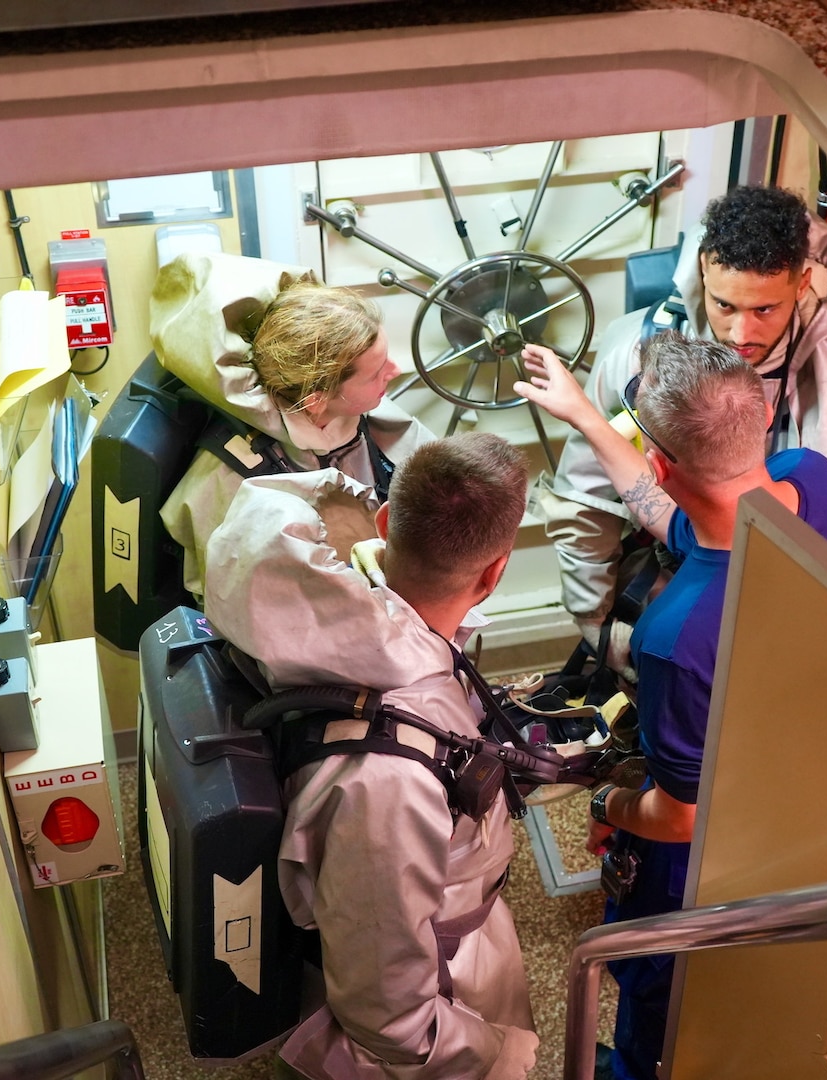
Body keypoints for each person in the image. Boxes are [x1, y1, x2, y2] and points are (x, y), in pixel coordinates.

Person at [515, 336, 827, 1080]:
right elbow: (683, 518)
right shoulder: (814, 480)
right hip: (810, 798)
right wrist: (584, 415)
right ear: (765, 415)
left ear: (662, 462)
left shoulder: (675, 637)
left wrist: (609, 803)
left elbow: (680, 816)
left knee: (658, 1000)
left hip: (700, 859)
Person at [201, 434, 538, 1080]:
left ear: (383, 524)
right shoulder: (390, 778)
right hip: (437, 1008)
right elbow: (389, 1016)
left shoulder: (328, 620)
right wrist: (496, 1051)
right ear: (495, 573)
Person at [539, 185, 827, 661]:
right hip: (674, 603)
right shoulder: (637, 356)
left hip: (810, 614)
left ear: (802, 282)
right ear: (703, 268)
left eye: (764, 309)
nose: (741, 335)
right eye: (724, 305)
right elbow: (590, 499)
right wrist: (600, 629)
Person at [153, 250, 434, 600]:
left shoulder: (356, 414)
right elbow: (239, 609)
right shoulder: (232, 480)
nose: (394, 371)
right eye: (377, 372)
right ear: (317, 398)